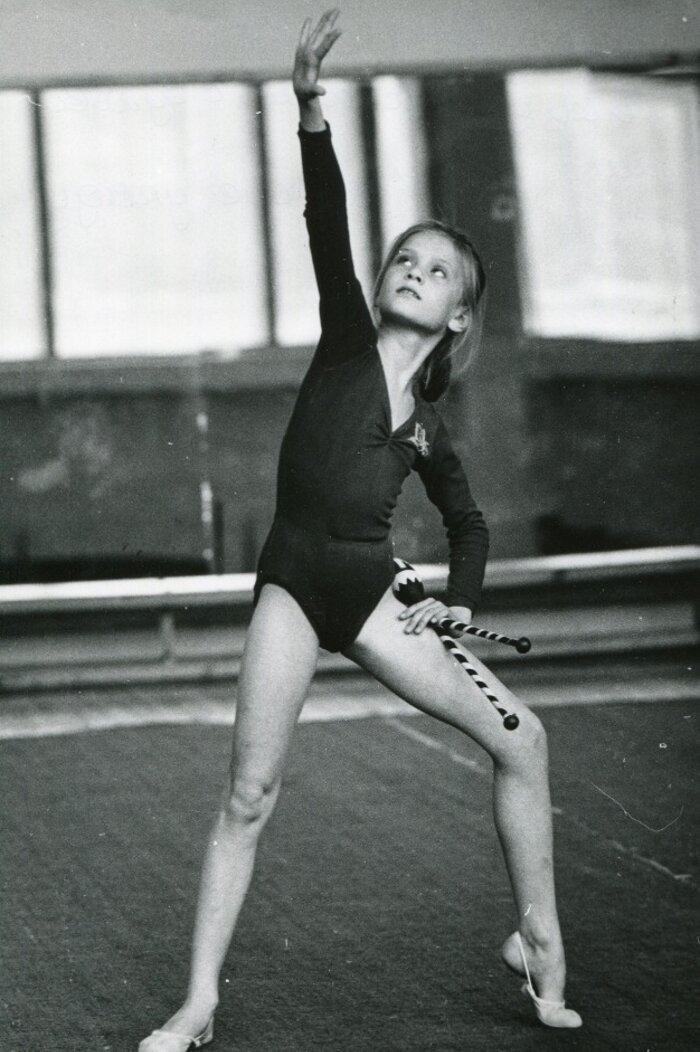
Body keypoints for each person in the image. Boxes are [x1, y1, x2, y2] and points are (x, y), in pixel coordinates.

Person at [138, 10, 581, 1049]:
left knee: (526, 738)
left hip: (380, 597)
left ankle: (538, 944)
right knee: (248, 791)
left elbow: (467, 524)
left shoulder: (428, 427)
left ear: (459, 316)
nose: (412, 269)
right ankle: (200, 1000)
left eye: (436, 270)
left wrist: (459, 606)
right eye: (406, 258)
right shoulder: (345, 339)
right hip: (295, 583)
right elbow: (325, 216)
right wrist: (306, 103)